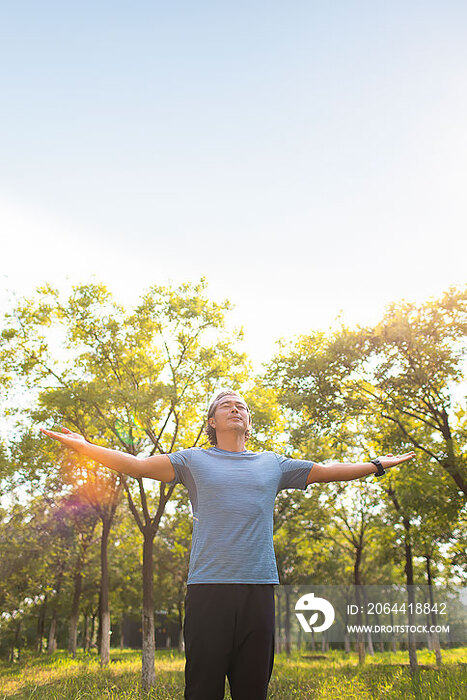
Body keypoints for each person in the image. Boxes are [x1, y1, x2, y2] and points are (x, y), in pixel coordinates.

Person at [40, 390, 415, 699]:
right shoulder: (192, 461)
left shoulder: (274, 464)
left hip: (258, 589)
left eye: (242, 407)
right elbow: (137, 465)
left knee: (253, 689)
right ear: (212, 422)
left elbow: (328, 472)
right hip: (208, 589)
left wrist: (376, 465)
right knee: (203, 689)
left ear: (248, 422)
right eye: (226, 405)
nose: (236, 408)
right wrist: (85, 447)